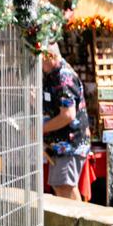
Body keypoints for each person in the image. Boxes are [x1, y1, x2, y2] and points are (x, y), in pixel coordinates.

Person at [41, 43, 91, 201]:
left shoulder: (63, 76)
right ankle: (76, 222)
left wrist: (40, 129)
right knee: (60, 186)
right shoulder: (53, 74)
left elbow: (68, 115)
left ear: (49, 56)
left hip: (70, 144)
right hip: (61, 145)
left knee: (65, 187)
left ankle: (78, 223)